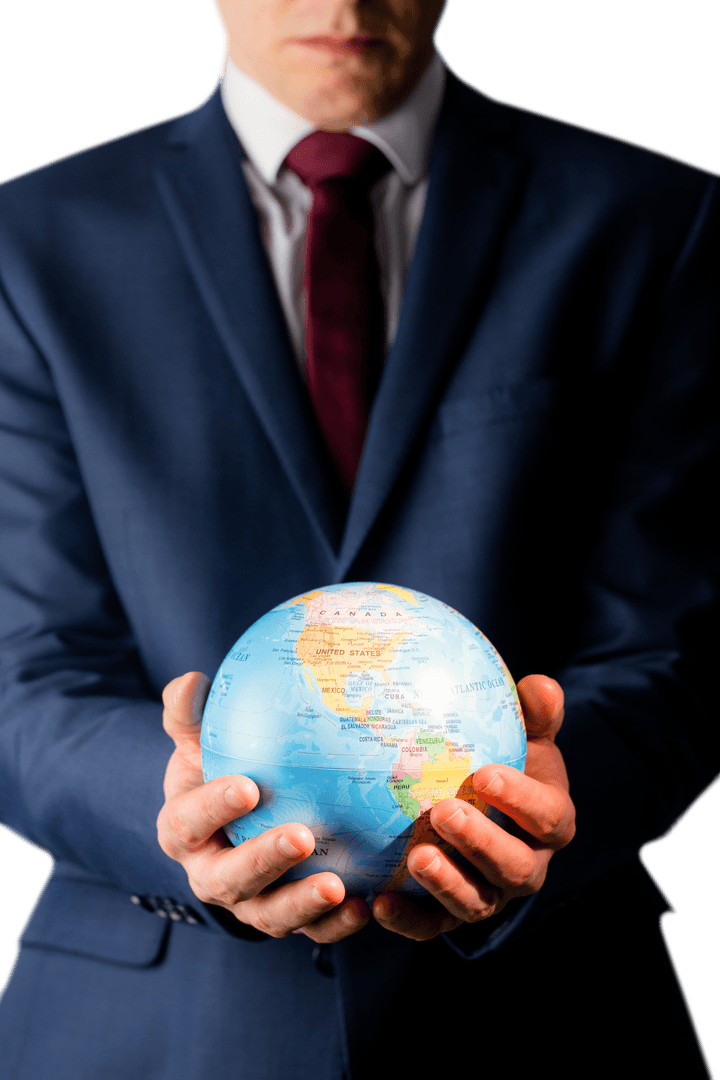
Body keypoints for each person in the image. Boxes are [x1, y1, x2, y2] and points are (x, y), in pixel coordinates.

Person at [0, 1, 717, 1077]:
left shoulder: (658, 221)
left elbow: (684, 641)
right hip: (145, 1033)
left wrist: (562, 799)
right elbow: (19, 666)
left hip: (557, 1018)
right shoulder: (29, 242)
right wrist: (178, 811)